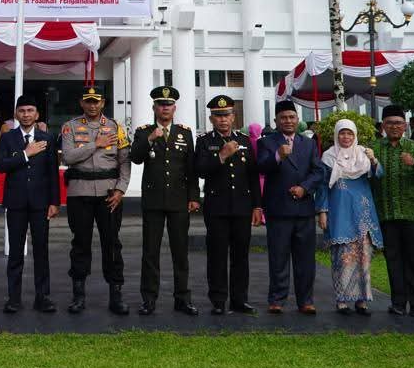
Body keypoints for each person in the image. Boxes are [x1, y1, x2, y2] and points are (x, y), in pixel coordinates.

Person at [58, 86, 131, 315]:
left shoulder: (116, 127)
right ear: (82, 102)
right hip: (80, 193)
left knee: (112, 244)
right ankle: (78, 296)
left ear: (102, 103)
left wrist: (120, 189)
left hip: (109, 195)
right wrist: (95, 145)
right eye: (88, 101)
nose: (92, 105)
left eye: (96, 101)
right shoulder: (70, 127)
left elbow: (125, 162)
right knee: (80, 244)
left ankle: (116, 296)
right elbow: (68, 157)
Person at [130, 86, 199, 316]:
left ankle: (183, 298)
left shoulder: (185, 132)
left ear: (174, 108)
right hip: (153, 201)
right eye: (161, 104)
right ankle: (149, 299)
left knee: (181, 252)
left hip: (179, 201)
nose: (165, 108)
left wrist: (193, 196)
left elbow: (190, 168)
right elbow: (135, 158)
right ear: (154, 107)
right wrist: (150, 138)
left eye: (168, 105)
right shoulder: (143, 131)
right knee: (151, 252)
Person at [193, 95, 261, 316]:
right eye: (218, 116)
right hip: (217, 207)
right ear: (211, 119)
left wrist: (257, 206)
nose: (223, 120)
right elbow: (200, 170)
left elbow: (252, 176)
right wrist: (221, 156)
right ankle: (219, 300)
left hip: (242, 206)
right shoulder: (204, 141)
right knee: (217, 255)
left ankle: (240, 299)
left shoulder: (243, 140)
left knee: (241, 256)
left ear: (234, 117)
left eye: (227, 115)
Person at [256, 100, 326, 315]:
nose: (288, 121)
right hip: (278, 209)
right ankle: (277, 299)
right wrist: (278, 156)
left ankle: (305, 300)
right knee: (278, 258)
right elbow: (261, 167)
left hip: (303, 208)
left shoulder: (309, 144)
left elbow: (318, 171)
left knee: (305, 259)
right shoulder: (266, 142)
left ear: (298, 120)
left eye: (292, 117)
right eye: (283, 118)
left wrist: (304, 188)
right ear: (276, 121)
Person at [0, 94, 60, 313]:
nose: (26, 115)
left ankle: (43, 297)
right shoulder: (7, 138)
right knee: (15, 252)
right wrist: (25, 154)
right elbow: (2, 166)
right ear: (16, 113)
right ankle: (14, 298)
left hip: (41, 203)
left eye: (30, 110)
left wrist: (54, 202)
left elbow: (52, 172)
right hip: (15, 203)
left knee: (41, 251)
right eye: (22, 111)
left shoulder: (47, 138)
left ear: (37, 114)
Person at [316, 119, 383, 315]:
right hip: (340, 212)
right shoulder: (328, 157)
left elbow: (378, 175)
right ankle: (342, 300)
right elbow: (322, 187)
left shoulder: (363, 154)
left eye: (350, 134)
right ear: (336, 135)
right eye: (342, 133)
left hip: (363, 212)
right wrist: (322, 211)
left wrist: (374, 160)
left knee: (364, 257)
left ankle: (362, 301)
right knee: (342, 257)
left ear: (355, 136)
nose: (346, 137)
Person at [371, 104, 414, 318]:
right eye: (389, 123)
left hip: (411, 214)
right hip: (385, 214)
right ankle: (398, 303)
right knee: (393, 260)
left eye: (398, 123)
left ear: (405, 125)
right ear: (383, 126)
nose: (394, 127)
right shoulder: (374, 148)